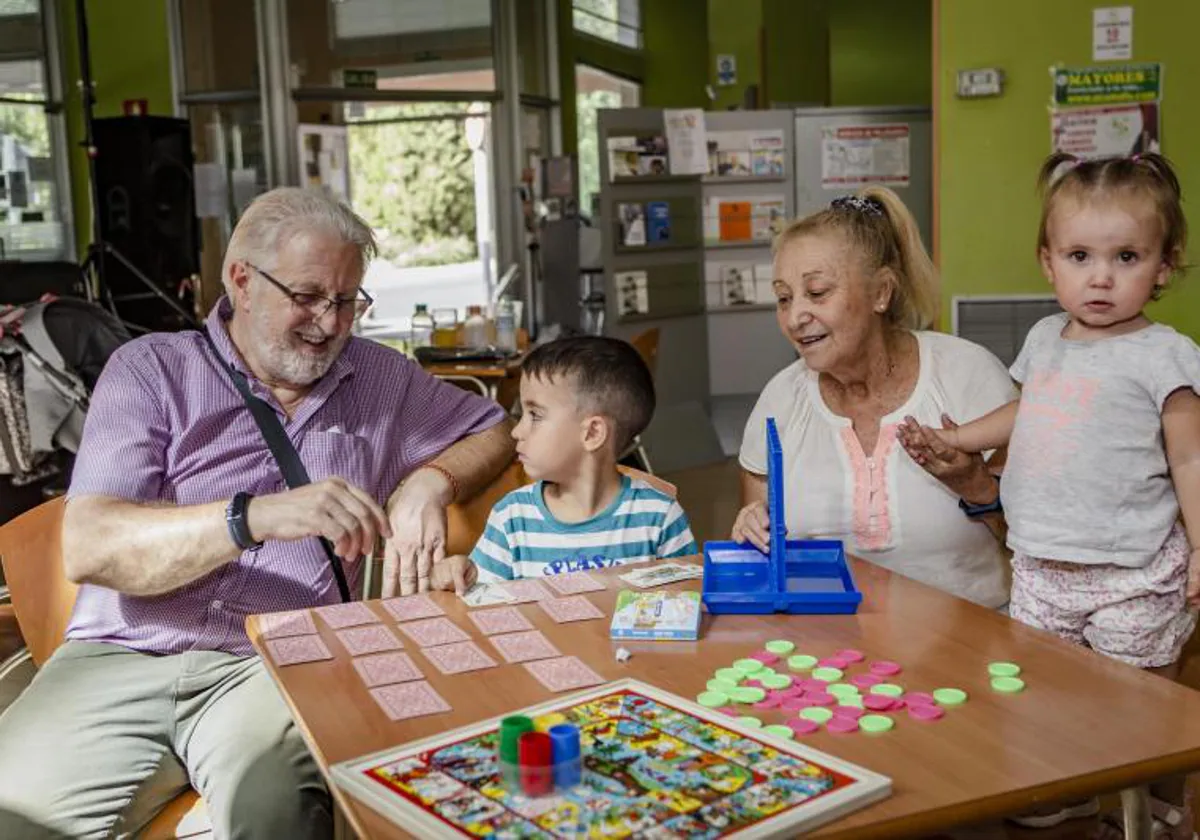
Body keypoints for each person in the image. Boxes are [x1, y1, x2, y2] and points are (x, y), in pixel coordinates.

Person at [0, 188, 514, 839]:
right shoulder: (151, 370)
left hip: (279, 662)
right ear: (241, 280)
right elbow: (92, 547)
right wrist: (254, 517)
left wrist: (432, 482)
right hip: (125, 653)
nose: (329, 323)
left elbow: (494, 428)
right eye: (307, 296)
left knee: (278, 820)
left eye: (348, 300)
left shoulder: (384, 378)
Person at [900, 153, 1200, 836]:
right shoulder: (1044, 341)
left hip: (1132, 572)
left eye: (1126, 256)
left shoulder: (1166, 354)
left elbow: (1190, 455)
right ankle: (1063, 790)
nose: (1100, 276)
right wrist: (962, 440)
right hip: (1040, 565)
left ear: (1164, 264)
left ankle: (1156, 804)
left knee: (1141, 704)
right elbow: (1025, 411)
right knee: (1046, 692)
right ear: (1048, 262)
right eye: (1079, 255)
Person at [730, 187, 1016, 608]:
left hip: (972, 644)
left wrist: (974, 485)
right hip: (829, 645)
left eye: (818, 292)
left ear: (881, 292)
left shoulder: (969, 377)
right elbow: (765, 559)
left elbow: (1044, 547)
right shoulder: (780, 400)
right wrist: (752, 530)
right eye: (784, 298)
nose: (794, 318)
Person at [461, 336, 697, 581]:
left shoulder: (660, 518)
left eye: (535, 415)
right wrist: (459, 578)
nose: (516, 431)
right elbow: (481, 610)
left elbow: (686, 603)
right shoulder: (511, 518)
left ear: (592, 433)